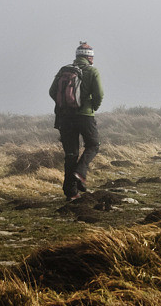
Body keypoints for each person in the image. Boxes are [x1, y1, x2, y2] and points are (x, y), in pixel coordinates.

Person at [49, 41, 105, 201]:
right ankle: (80, 172)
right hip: (85, 116)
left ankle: (71, 193)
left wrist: (65, 104)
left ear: (77, 56)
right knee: (93, 145)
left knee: (71, 154)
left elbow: (52, 91)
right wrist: (91, 107)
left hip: (65, 117)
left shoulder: (64, 71)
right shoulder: (92, 71)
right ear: (90, 58)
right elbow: (99, 94)